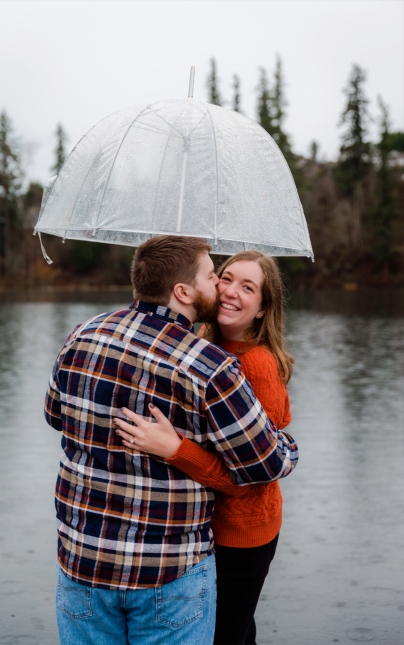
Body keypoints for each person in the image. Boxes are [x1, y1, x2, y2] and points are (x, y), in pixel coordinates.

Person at [44, 235, 299, 645]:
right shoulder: (210, 366)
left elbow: (54, 415)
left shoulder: (82, 334)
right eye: (215, 275)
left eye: (241, 285)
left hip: (83, 560)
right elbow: (269, 461)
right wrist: (288, 446)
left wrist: (171, 447)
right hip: (167, 572)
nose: (221, 287)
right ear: (183, 291)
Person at [112, 250, 293, 645]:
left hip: (241, 531)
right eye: (224, 278)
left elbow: (249, 478)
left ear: (262, 309)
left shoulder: (256, 366)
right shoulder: (201, 349)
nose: (229, 291)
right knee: (240, 630)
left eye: (248, 288)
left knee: (222, 635)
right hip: (201, 526)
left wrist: (175, 449)